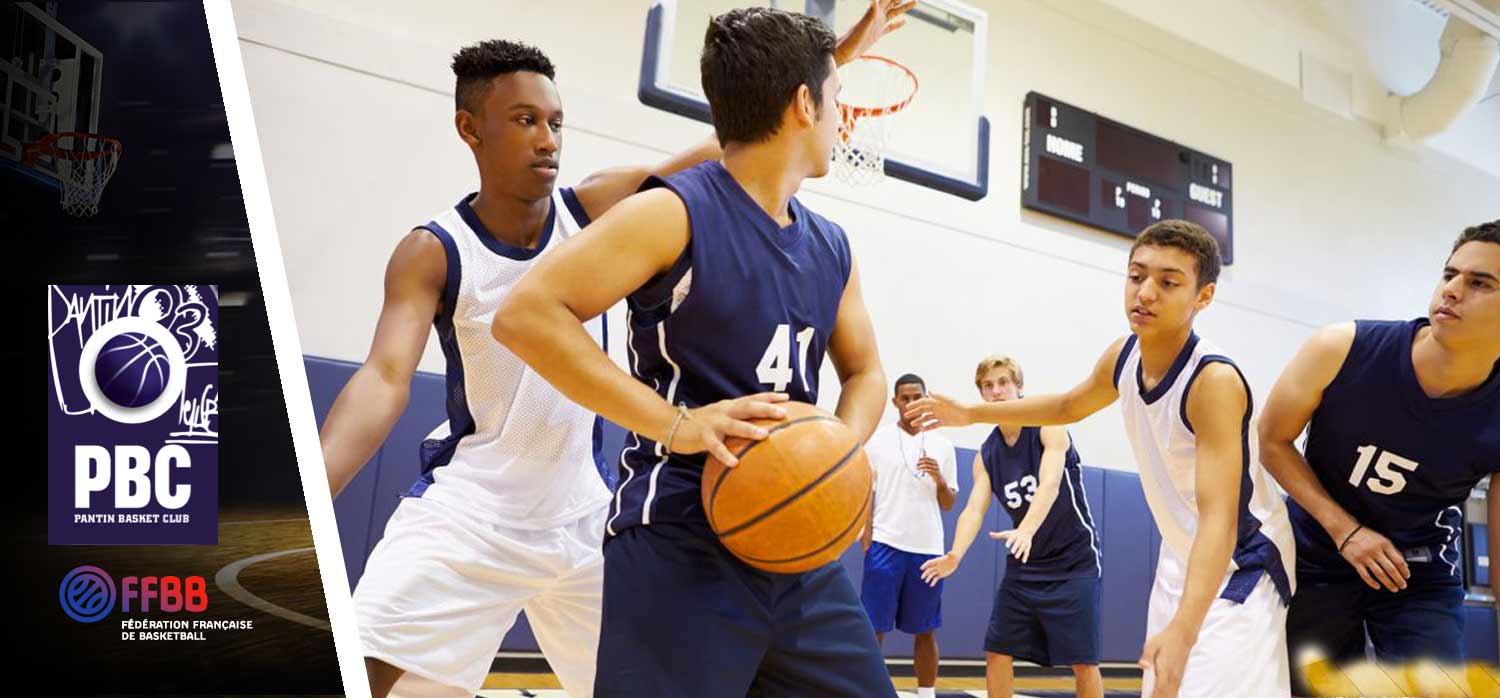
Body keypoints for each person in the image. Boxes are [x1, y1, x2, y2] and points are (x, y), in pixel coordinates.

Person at [492, 4, 913, 696]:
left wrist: (836, 447)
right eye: (839, 97)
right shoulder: (673, 212)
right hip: (679, 537)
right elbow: (527, 314)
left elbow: (865, 371)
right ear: (805, 104)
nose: (845, 117)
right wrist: (678, 425)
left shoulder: (832, 246)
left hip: (799, 549)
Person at [318, 39, 725, 698]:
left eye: (556, 122)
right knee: (365, 679)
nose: (547, 139)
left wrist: (822, 72)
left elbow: (714, 157)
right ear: (470, 128)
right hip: (469, 519)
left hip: (584, 522)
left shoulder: (587, 210)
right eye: (525, 120)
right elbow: (384, 378)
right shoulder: (434, 250)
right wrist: (308, 490)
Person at [906, 220, 1295, 698]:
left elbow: (1220, 518)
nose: (1146, 292)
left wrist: (1186, 628)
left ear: (1204, 297)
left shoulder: (1213, 382)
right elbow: (1069, 405)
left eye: (1168, 282)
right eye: (1137, 276)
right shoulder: (1124, 355)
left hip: (1242, 558)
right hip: (1182, 552)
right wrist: (970, 413)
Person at [1257, 219, 1500, 694]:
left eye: (1479, 283)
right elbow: (1271, 439)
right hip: (1316, 556)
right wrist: (1346, 531)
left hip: (1419, 571)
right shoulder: (1342, 346)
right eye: (1450, 274)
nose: (1451, 290)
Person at [920, 356, 1103, 698]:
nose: (997, 391)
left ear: (1019, 388)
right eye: (988, 386)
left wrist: (1028, 529)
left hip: (1073, 561)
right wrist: (955, 554)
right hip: (1026, 564)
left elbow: (1049, 483)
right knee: (997, 652)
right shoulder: (987, 453)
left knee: (1082, 661)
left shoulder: (1049, 424)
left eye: (1003, 382)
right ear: (982, 396)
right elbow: (974, 509)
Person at [860, 373, 958, 698]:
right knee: (874, 626)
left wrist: (940, 480)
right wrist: (866, 540)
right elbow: (866, 495)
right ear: (895, 403)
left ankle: (926, 694)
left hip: (927, 550)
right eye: (906, 398)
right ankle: (870, 690)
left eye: (918, 397)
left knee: (926, 629)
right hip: (885, 545)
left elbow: (948, 503)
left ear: (927, 398)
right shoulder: (878, 442)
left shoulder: (943, 445)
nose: (912, 404)